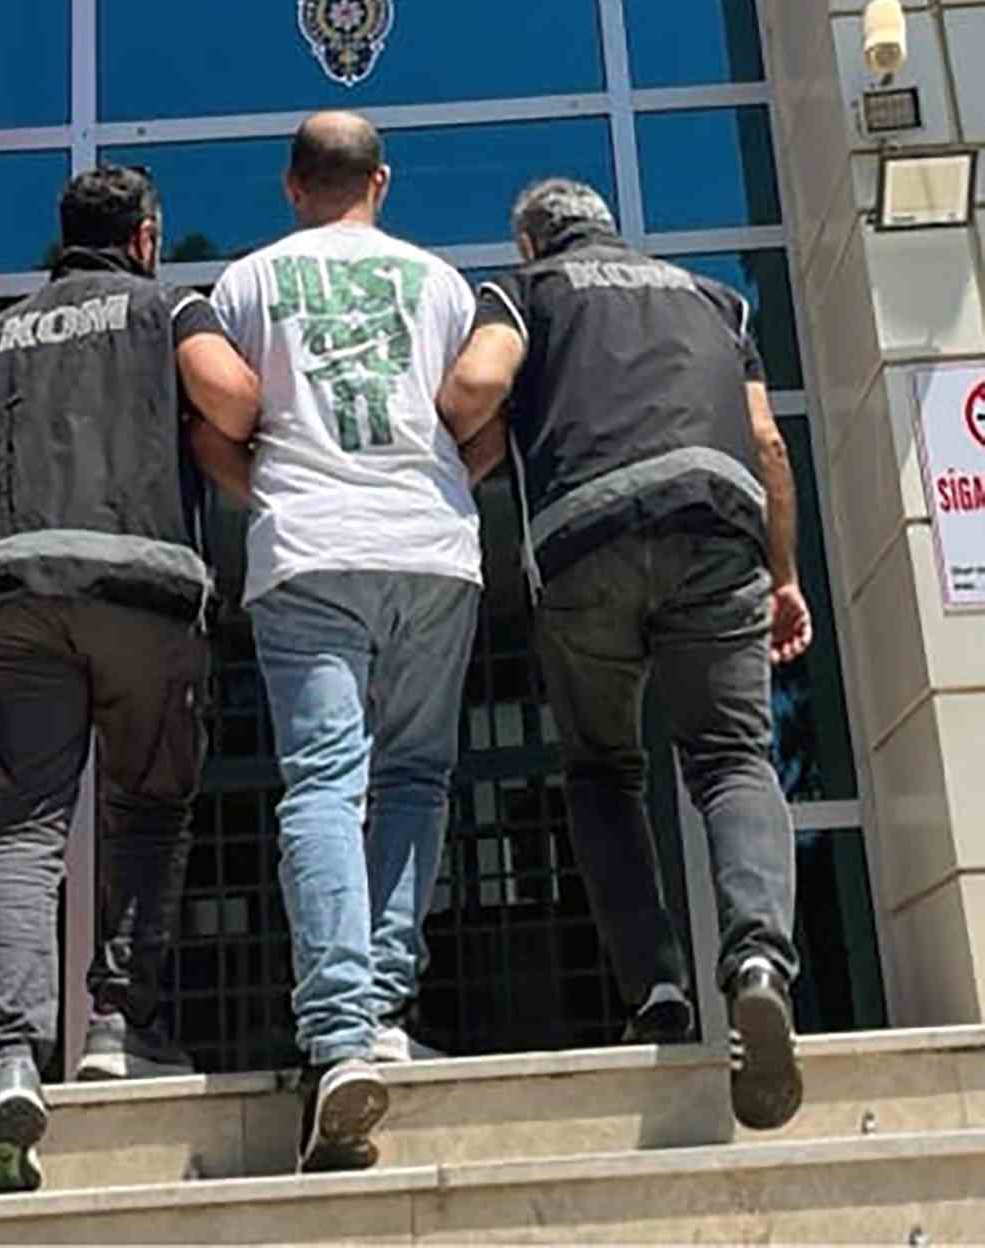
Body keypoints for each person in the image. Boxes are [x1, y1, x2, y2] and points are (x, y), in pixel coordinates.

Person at [0, 165, 258, 1194]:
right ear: (145, 236)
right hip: (143, 590)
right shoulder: (166, 307)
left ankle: (10, 1057)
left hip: (9, 593)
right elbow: (233, 400)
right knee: (147, 812)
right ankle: (120, 1028)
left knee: (20, 830)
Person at [437, 179, 813, 1133]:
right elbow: (767, 443)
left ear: (531, 241)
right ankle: (758, 962)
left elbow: (476, 386)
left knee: (603, 771)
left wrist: (439, 451)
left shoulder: (527, 291)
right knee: (732, 760)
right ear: (610, 228)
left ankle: (656, 990)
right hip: (716, 531)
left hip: (585, 537)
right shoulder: (714, 300)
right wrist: (783, 574)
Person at [198, 112, 483, 1175]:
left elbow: (212, 424)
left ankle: (339, 1035)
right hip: (431, 549)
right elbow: (480, 416)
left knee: (324, 783)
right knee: (413, 777)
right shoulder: (441, 283)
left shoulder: (245, 284)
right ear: (382, 181)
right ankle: (386, 1008)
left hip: (309, 551)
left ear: (290, 186)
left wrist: (270, 492)